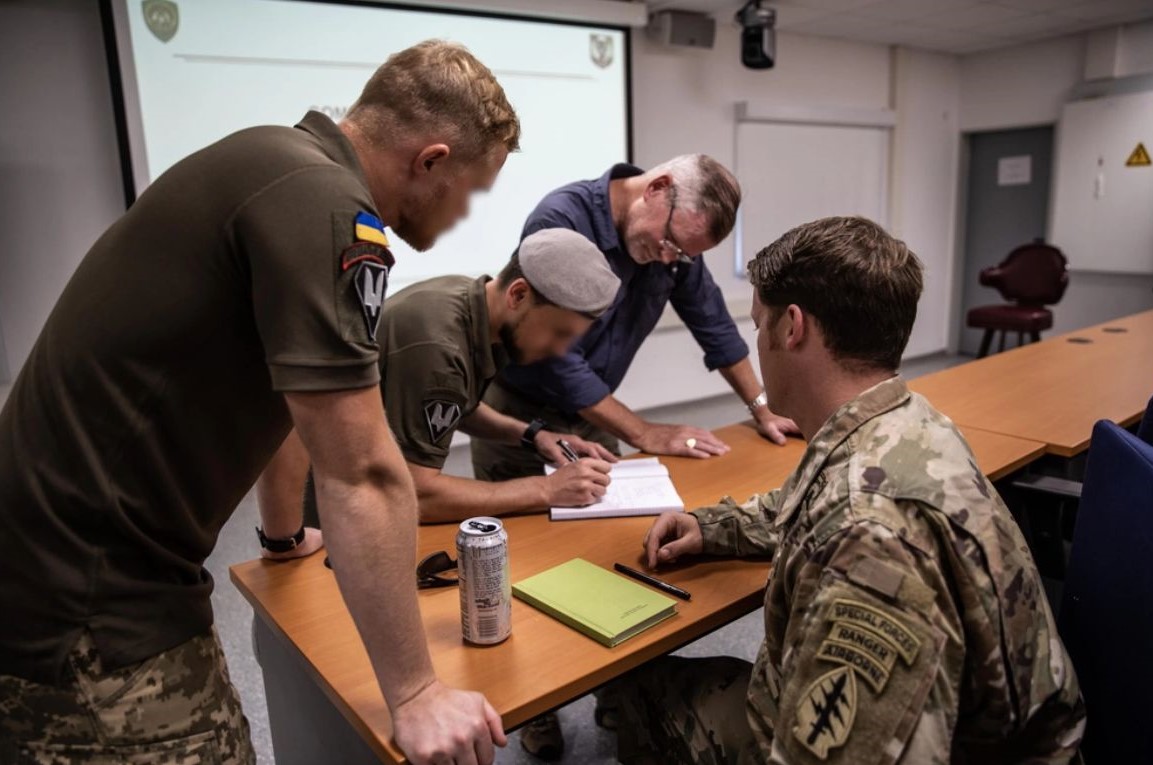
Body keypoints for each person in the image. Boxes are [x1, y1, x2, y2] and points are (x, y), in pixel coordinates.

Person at [0, 40, 517, 765]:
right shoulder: (331, 206)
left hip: (47, 559)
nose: (466, 212)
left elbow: (297, 404)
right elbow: (363, 470)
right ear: (430, 159)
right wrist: (414, 691)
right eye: (471, 188)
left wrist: (279, 537)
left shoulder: (274, 160)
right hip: (91, 595)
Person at [615, 216, 1086, 764]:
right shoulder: (906, 422)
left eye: (759, 325)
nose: (759, 343)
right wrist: (711, 526)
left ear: (792, 327)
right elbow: (811, 500)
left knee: (638, 689)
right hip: (977, 725)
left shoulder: (871, 542)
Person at [471, 154, 801, 759]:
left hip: (593, 419)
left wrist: (760, 404)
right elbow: (555, 356)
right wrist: (643, 432)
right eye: (671, 245)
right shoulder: (563, 217)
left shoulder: (673, 246)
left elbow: (712, 323)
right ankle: (535, 709)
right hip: (523, 414)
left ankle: (616, 691)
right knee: (527, 564)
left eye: (685, 255)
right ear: (658, 188)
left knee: (603, 554)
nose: (673, 260)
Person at [260, 228, 624, 526]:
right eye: (559, 333)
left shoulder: (471, 303)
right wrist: (547, 490)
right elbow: (419, 495)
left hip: (355, 497)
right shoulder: (439, 346)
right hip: (335, 521)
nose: (560, 350)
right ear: (518, 294)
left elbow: (459, 406)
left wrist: (533, 436)